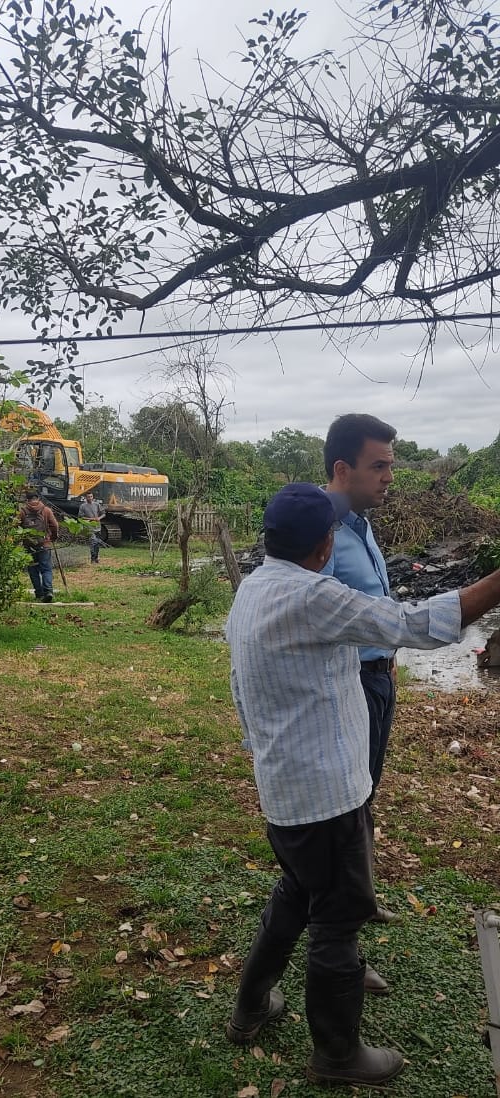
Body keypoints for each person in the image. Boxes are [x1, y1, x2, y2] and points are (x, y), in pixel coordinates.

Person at [225, 482, 500, 1087]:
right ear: (325, 545)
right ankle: (338, 1054)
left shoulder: (253, 587)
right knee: (337, 921)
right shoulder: (312, 594)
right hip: (326, 795)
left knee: (298, 895)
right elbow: (413, 623)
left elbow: (239, 687)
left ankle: (250, 1006)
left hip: (285, 788)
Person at [323, 413, 397, 924]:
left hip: (376, 679)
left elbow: (377, 605)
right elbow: (311, 615)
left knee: (364, 793)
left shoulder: (362, 526)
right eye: (380, 466)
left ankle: (360, 902)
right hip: (346, 685)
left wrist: (388, 666)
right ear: (344, 469)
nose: (389, 477)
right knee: (344, 810)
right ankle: (337, 931)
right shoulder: (321, 532)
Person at [19, 488, 59, 603]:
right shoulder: (46, 510)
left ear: (27, 499)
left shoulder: (22, 511)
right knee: (46, 569)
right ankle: (48, 591)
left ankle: (39, 593)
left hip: (29, 546)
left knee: (33, 569)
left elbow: (14, 526)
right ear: (38, 498)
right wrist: (53, 537)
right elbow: (55, 525)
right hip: (44, 544)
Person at [78, 491, 106, 563]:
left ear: (93, 497)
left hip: (98, 527)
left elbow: (103, 514)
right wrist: (91, 519)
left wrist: (99, 518)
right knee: (93, 542)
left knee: (97, 543)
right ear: (85, 498)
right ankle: (92, 559)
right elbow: (80, 517)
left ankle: (96, 558)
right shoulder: (83, 506)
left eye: (91, 496)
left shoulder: (97, 505)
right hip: (89, 527)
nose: (90, 498)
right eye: (88, 497)